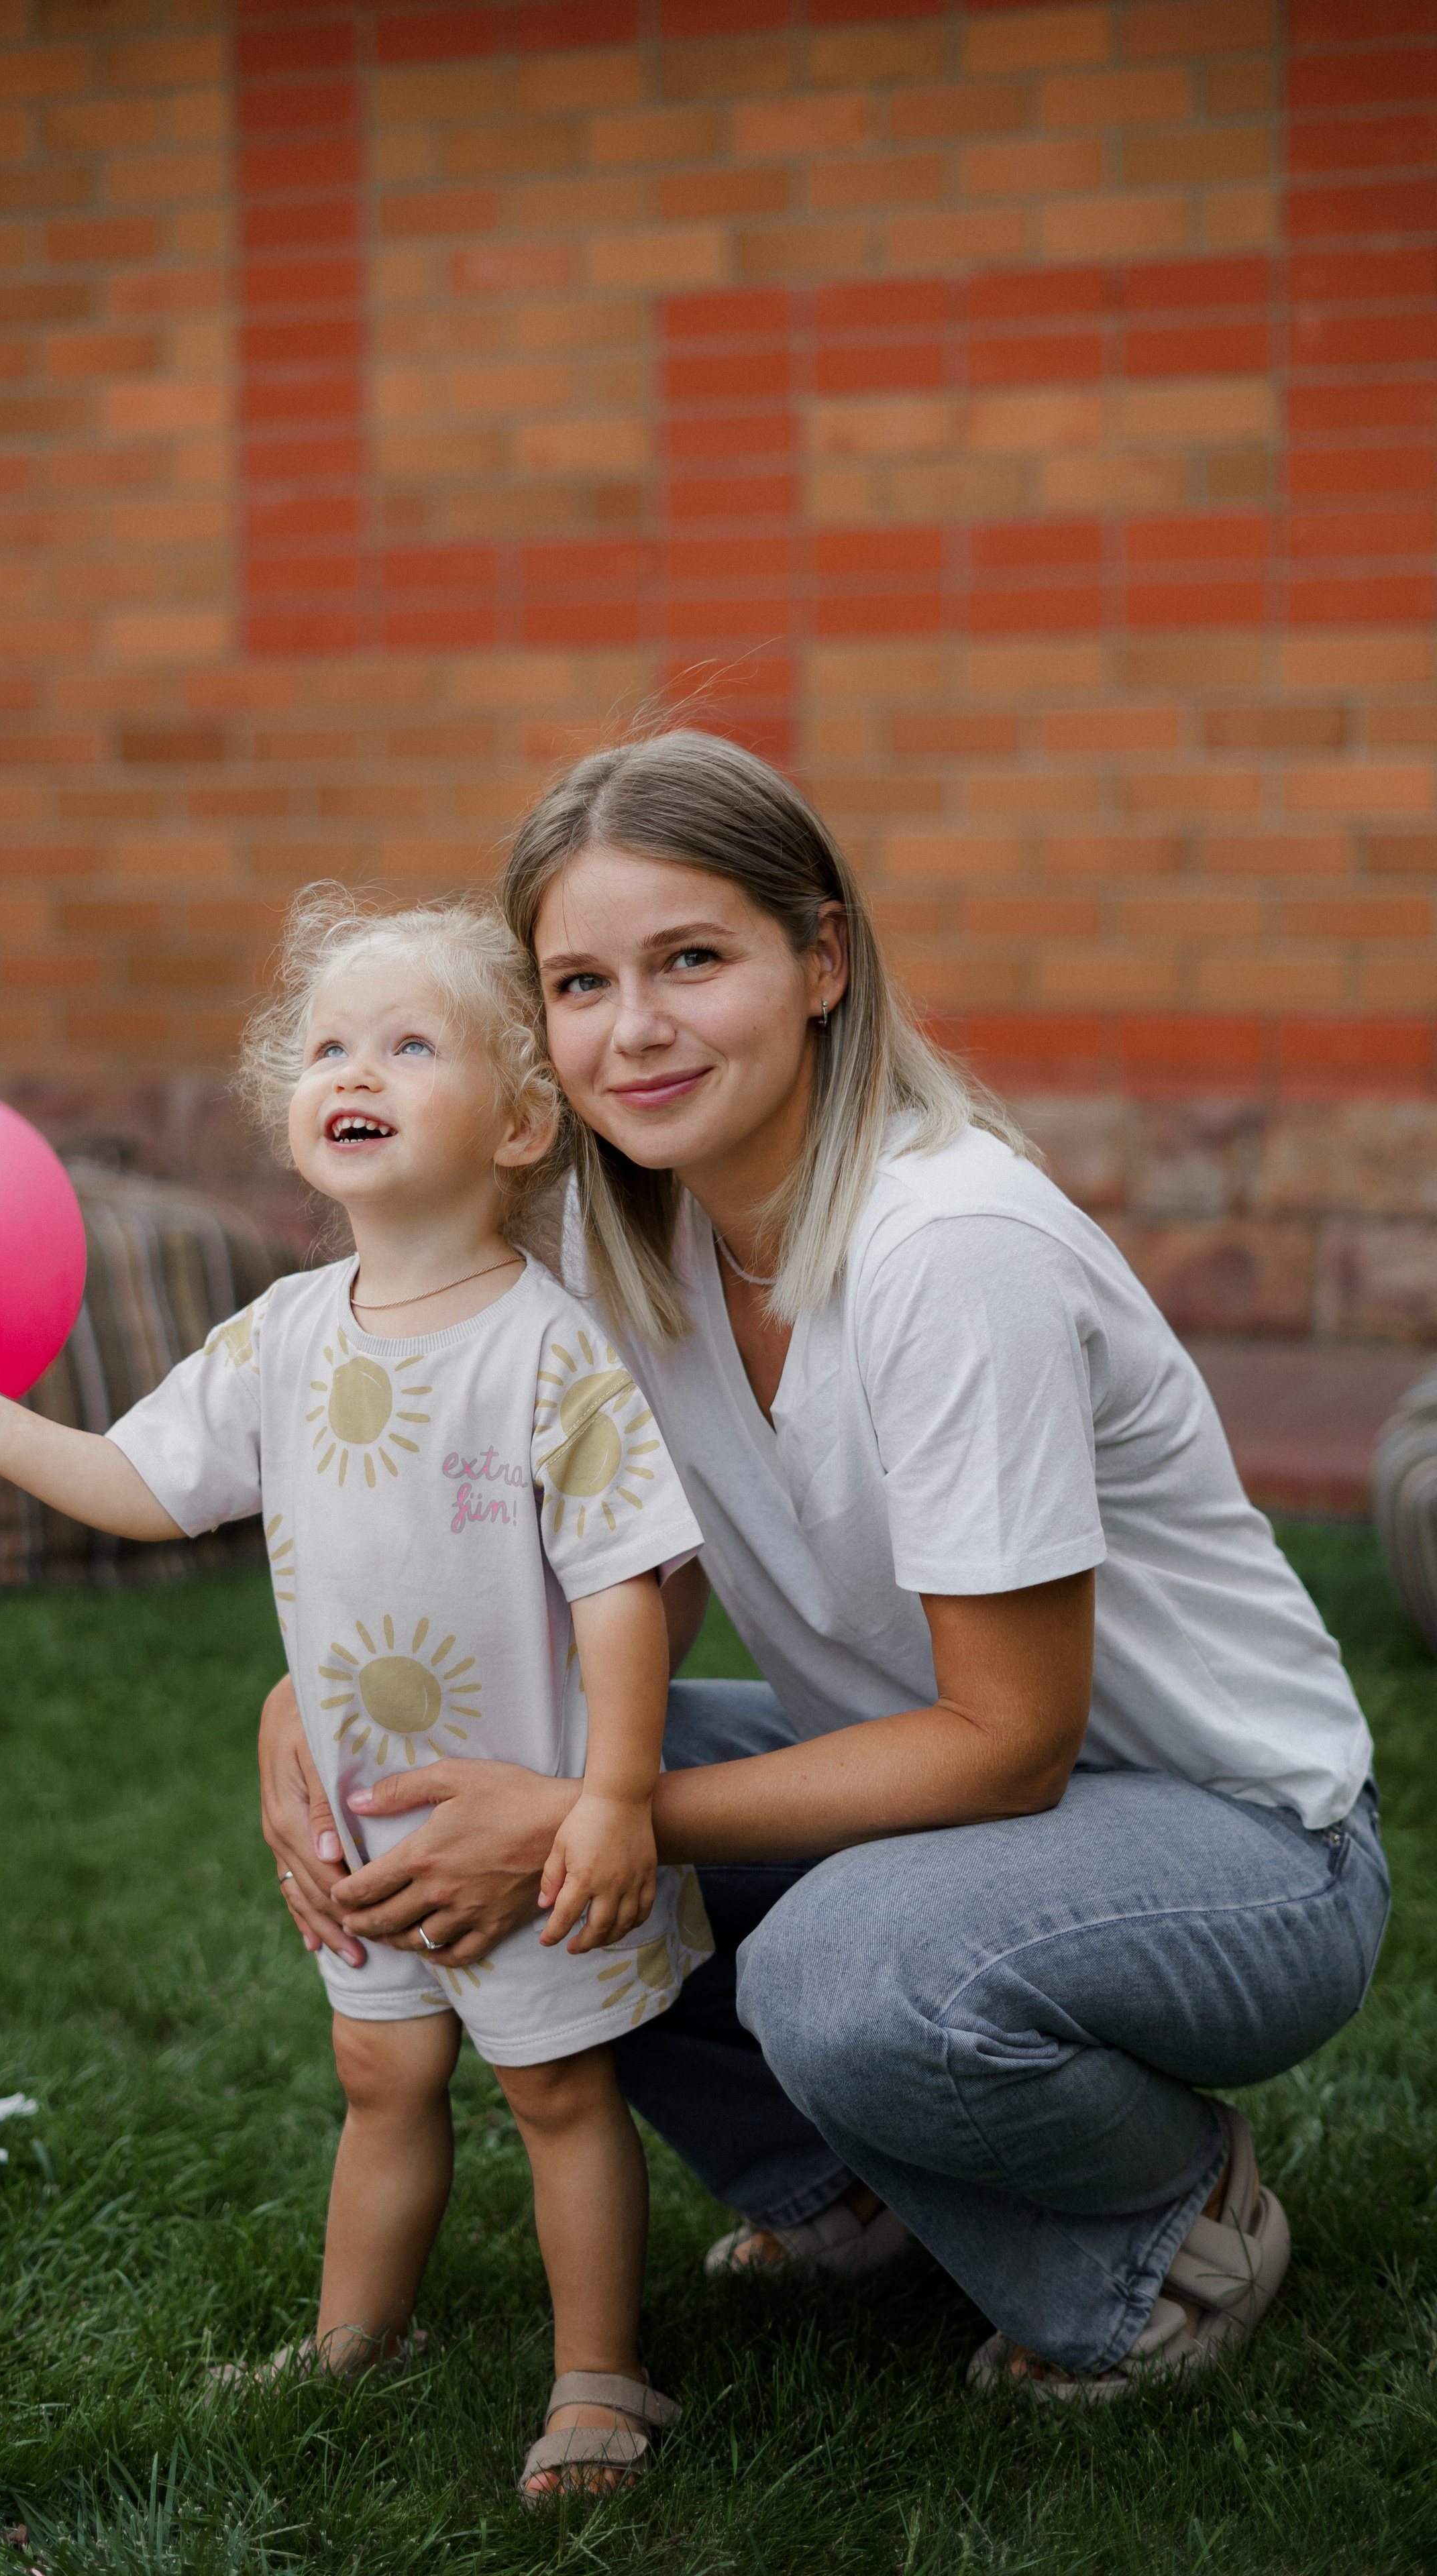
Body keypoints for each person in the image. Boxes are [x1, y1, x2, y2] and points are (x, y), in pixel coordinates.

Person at [262, 732, 1391, 2401]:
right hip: (951, 1807)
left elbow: (1009, 1742)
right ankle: (846, 2187)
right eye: (578, 982)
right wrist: (323, 1701)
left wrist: (597, 1816)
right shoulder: (620, 1235)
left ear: (820, 960)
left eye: (690, 960)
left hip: (1228, 1845)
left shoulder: (947, 1251)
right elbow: (609, 1578)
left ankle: (1167, 2230)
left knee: (821, 1966)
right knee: (466, 1788)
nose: (630, 1029)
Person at [0, 888, 712, 2498]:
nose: (361, 1068)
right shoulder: (276, 1337)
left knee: (554, 2090)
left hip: (527, 1815)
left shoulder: (545, 1350)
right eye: (332, 1044)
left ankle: (602, 2380)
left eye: (413, 1044)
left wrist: (612, 1797)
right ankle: (356, 2340)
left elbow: (623, 1588)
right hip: (364, 1826)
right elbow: (139, 1478)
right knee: (378, 2075)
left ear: (522, 1120)